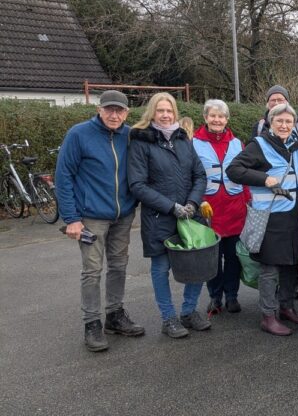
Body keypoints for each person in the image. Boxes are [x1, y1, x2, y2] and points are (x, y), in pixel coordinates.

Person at [55, 90, 144, 352]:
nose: (114, 115)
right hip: (91, 217)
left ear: (127, 113)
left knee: (119, 265)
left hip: (123, 215)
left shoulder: (130, 135)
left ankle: (114, 315)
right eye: (109, 110)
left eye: (119, 111)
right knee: (92, 271)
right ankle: (91, 323)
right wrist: (71, 219)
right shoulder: (79, 134)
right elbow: (64, 177)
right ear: (99, 110)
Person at [128, 92, 210, 339]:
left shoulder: (184, 140)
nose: (165, 115)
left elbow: (200, 175)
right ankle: (168, 318)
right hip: (159, 218)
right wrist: (171, 206)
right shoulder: (141, 143)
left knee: (199, 265)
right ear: (152, 112)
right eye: (160, 110)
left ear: (175, 113)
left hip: (189, 214)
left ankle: (189, 311)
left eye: (169, 110)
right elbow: (137, 185)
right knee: (161, 268)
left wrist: (193, 202)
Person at [227, 103, 298, 336]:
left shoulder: (297, 144)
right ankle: (268, 315)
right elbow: (233, 170)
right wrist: (265, 179)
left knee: (291, 264)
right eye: (280, 121)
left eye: (289, 121)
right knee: (270, 267)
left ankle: (286, 306)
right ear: (270, 123)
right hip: (272, 216)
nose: (284, 125)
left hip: (295, 212)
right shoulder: (259, 145)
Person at [192, 100, 251, 316]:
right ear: (206, 117)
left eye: (221, 116)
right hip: (208, 209)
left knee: (234, 256)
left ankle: (232, 296)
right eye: (213, 116)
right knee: (213, 258)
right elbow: (191, 176)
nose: (217, 120)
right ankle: (215, 297)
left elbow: (244, 174)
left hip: (235, 208)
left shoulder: (237, 143)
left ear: (227, 119)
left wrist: (249, 200)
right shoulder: (194, 143)